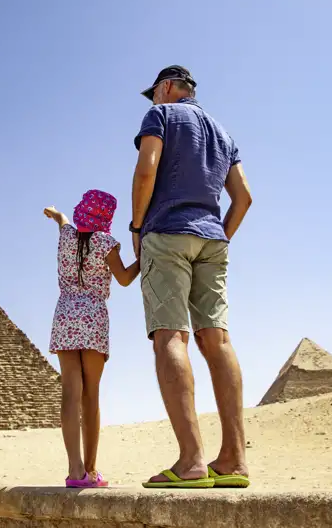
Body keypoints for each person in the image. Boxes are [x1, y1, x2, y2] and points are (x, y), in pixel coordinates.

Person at [130, 66, 254, 489]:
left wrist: (137, 228)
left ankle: (191, 461)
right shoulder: (223, 133)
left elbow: (146, 170)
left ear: (166, 88)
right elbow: (244, 197)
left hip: (167, 232)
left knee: (171, 337)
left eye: (154, 93)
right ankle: (234, 459)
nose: (153, 100)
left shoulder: (161, 115)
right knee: (217, 340)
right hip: (212, 238)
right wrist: (220, 236)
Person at [44, 189, 140, 488]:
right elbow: (124, 278)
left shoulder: (67, 236)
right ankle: (92, 469)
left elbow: (63, 222)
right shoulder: (105, 242)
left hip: (65, 315)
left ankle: (75, 470)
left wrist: (56, 214)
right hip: (93, 317)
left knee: (70, 393)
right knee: (91, 395)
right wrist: (143, 257)